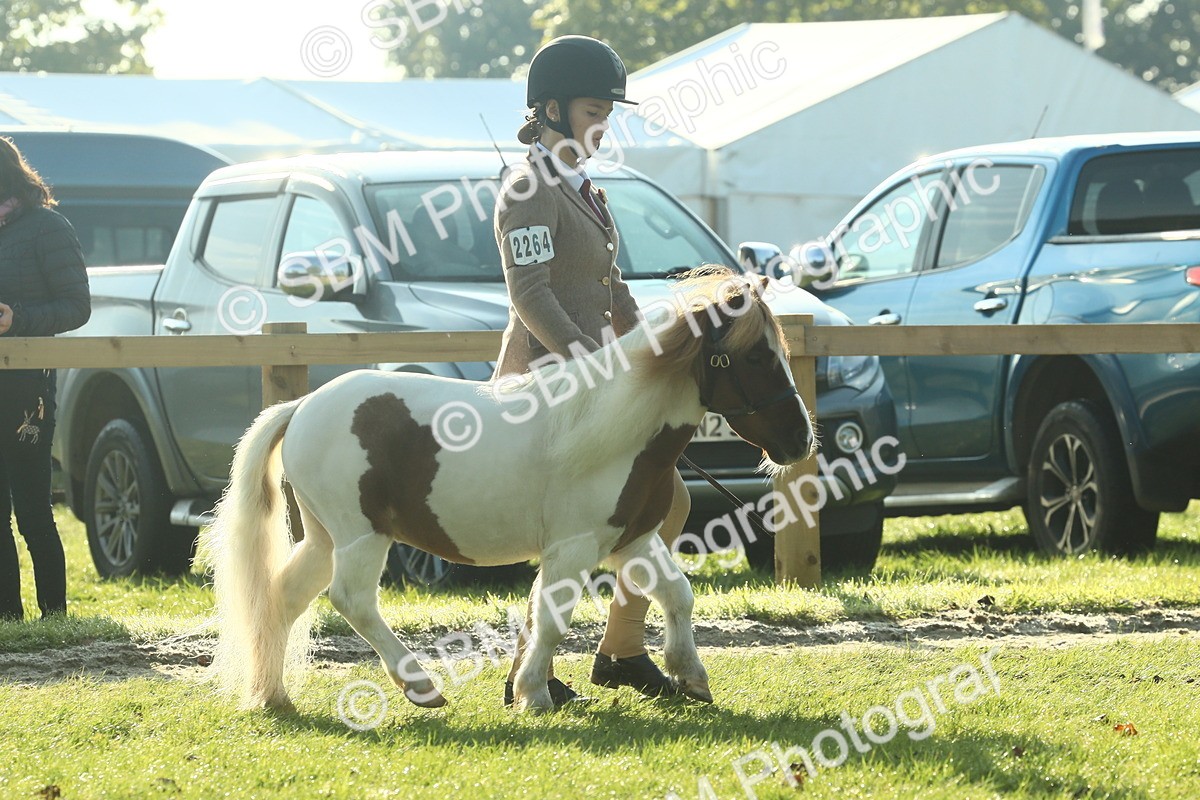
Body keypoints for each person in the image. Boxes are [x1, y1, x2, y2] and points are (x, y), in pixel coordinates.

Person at [493, 35, 691, 706]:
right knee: (585, 524)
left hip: (602, 382)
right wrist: (587, 359)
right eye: (591, 109)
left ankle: (619, 652)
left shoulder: (584, 188)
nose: (603, 124)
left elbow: (612, 288)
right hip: (552, 377)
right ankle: (569, 663)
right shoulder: (529, 184)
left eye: (608, 111)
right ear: (549, 110)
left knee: (664, 503)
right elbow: (531, 292)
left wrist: (651, 350)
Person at [0, 136, 90, 620]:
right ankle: (8, 622)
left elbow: (77, 307)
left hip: (28, 387)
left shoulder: (48, 227)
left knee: (33, 511)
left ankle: (54, 617)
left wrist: (17, 319)